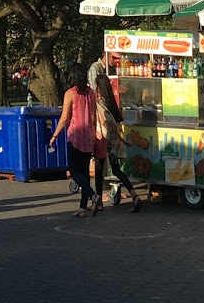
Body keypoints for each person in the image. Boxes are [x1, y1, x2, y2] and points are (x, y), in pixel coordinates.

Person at [88, 58, 140, 212]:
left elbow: (105, 124)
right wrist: (122, 140)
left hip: (104, 141)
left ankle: (98, 202)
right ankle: (134, 194)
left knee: (99, 170)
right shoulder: (111, 103)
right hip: (114, 142)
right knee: (116, 170)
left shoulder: (100, 104)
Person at [48, 62, 99, 217]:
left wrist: (54, 135)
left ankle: (92, 195)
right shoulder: (90, 93)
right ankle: (82, 207)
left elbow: (64, 118)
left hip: (75, 135)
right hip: (89, 135)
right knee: (84, 171)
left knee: (74, 171)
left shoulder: (70, 93)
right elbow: (94, 115)